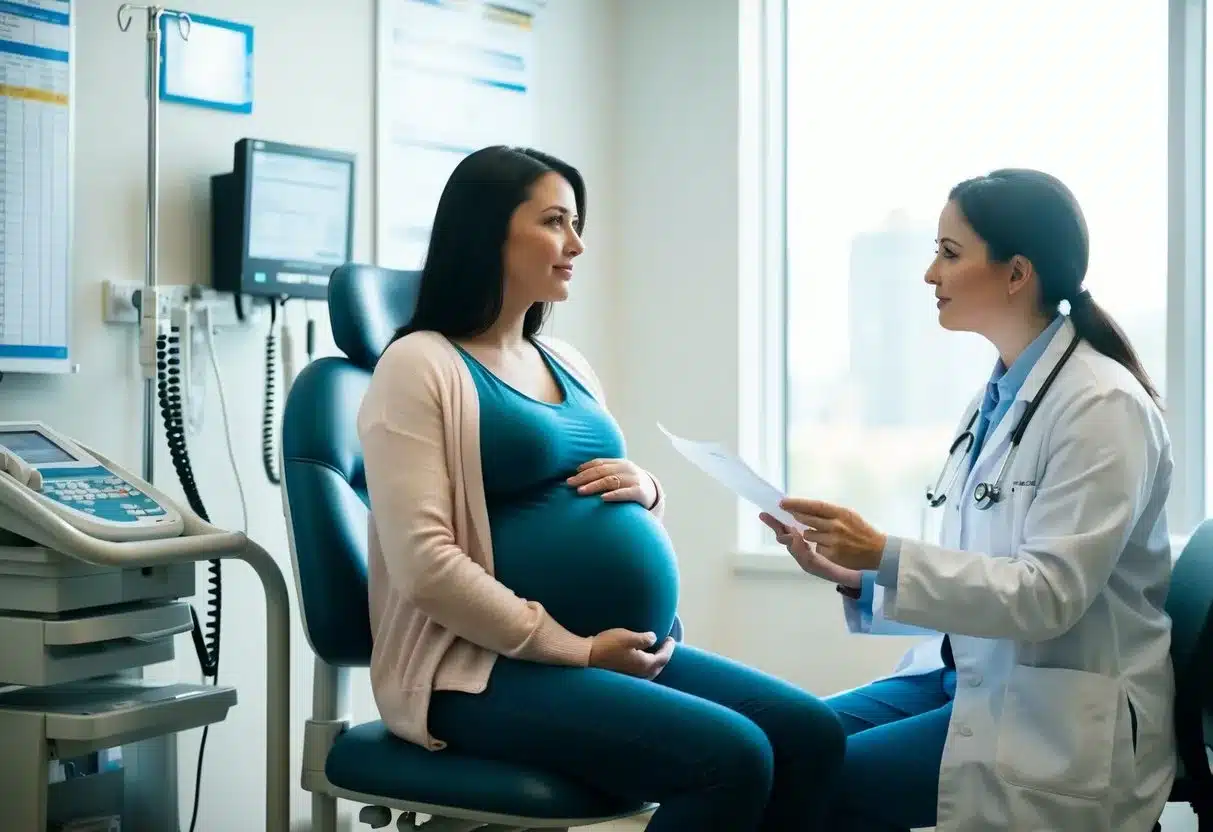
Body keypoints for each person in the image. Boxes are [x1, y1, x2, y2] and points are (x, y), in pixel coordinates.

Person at [358, 144, 845, 831]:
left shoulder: (564, 360)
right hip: (477, 673)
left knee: (811, 736)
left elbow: (591, 495)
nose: (576, 245)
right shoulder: (418, 367)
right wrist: (575, 649)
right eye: (555, 222)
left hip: (608, 651)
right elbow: (425, 566)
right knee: (730, 758)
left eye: (576, 223)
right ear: (489, 231)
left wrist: (646, 489)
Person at [762, 168, 1175, 832]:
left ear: (1016, 274)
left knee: (801, 782)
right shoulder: (1000, 397)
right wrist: (863, 576)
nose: (930, 274)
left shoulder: (1101, 408)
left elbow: (1046, 596)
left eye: (949, 254)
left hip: (1054, 715)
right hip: (967, 680)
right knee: (771, 746)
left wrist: (886, 552)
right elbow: (982, 575)